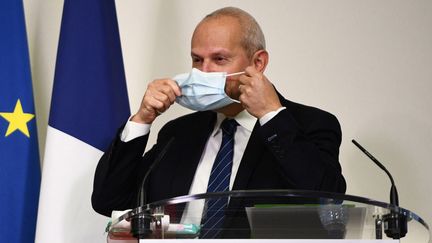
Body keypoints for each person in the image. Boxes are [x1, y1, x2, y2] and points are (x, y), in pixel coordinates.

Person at [92, 6, 346, 238]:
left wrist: (270, 114)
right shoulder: (178, 133)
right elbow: (110, 200)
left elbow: (325, 199)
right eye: (197, 59)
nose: (204, 71)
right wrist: (142, 118)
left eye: (219, 59)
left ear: (257, 63)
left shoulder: (308, 124)